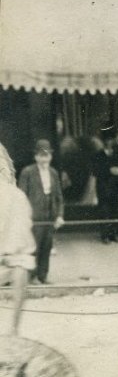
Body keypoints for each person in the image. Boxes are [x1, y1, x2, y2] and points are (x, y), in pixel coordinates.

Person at [17, 140, 65, 284]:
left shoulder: (54, 173)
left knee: (47, 246)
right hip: (34, 218)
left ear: (51, 156)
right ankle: (32, 277)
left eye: (47, 155)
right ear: (36, 157)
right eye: (41, 155)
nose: (45, 158)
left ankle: (43, 276)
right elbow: (21, 196)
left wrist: (60, 215)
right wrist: (24, 217)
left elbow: (59, 197)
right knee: (33, 247)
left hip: (49, 217)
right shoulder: (27, 172)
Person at [0, 142, 36, 334]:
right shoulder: (15, 197)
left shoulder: (15, 198)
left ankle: (13, 331)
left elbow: (21, 255)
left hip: (9, 262)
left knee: (20, 266)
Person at [93, 135, 118, 243]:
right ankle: (105, 235)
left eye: (111, 141)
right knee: (104, 212)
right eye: (108, 141)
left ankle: (114, 234)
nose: (110, 143)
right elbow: (95, 171)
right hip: (104, 188)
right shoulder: (98, 155)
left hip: (117, 188)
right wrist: (109, 170)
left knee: (116, 211)